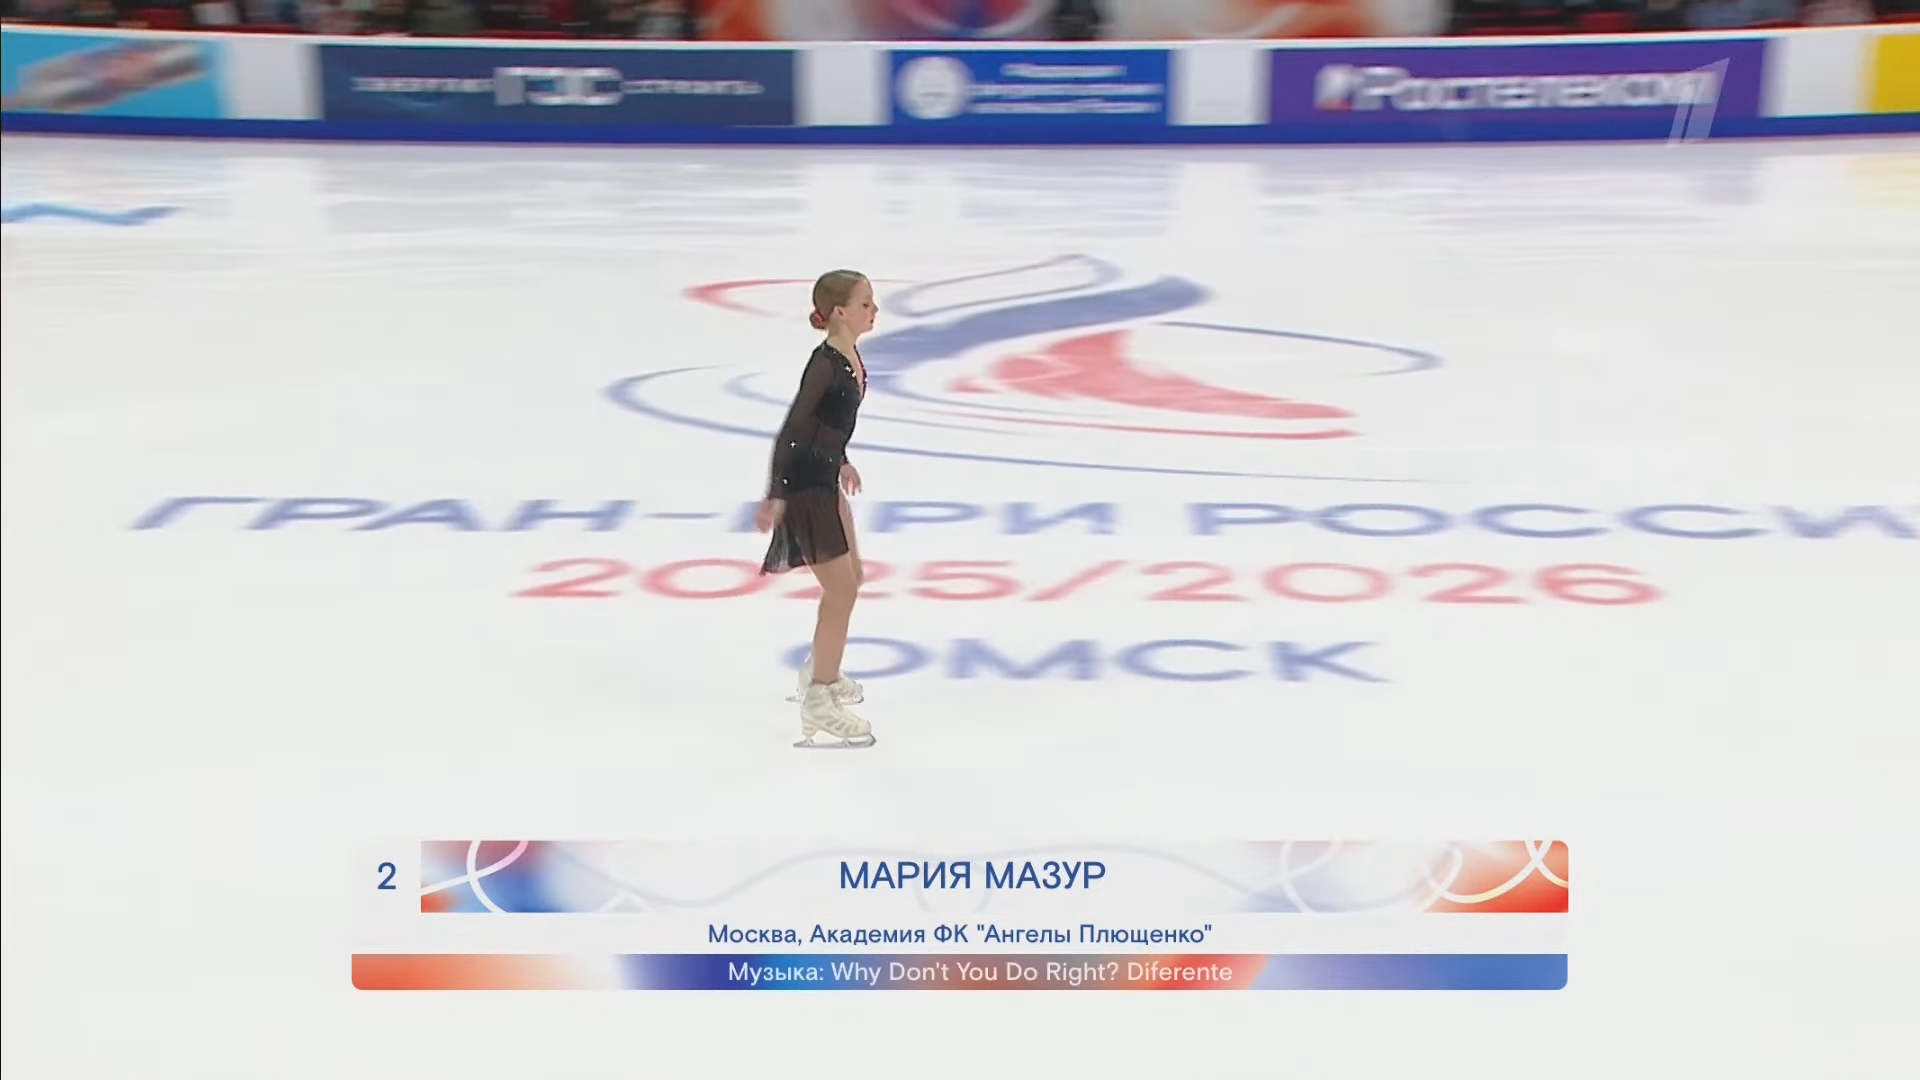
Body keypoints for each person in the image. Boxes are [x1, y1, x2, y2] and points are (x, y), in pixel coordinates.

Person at [755, 270, 878, 749]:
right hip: (804, 483)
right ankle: (820, 698)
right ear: (840, 312)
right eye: (866, 303)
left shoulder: (851, 356)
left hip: (826, 477)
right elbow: (793, 428)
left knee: (853, 578)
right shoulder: (824, 364)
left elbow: (830, 422)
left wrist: (842, 460)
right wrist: (775, 493)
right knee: (841, 589)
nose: (874, 310)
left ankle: (819, 669)